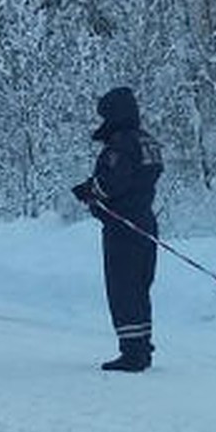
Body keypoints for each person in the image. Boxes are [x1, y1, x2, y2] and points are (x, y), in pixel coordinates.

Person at [72, 87, 163, 372]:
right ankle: (141, 347)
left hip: (122, 225)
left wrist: (89, 191)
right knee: (140, 287)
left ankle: (132, 354)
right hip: (145, 222)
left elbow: (112, 182)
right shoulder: (147, 141)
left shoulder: (121, 144)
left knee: (123, 288)